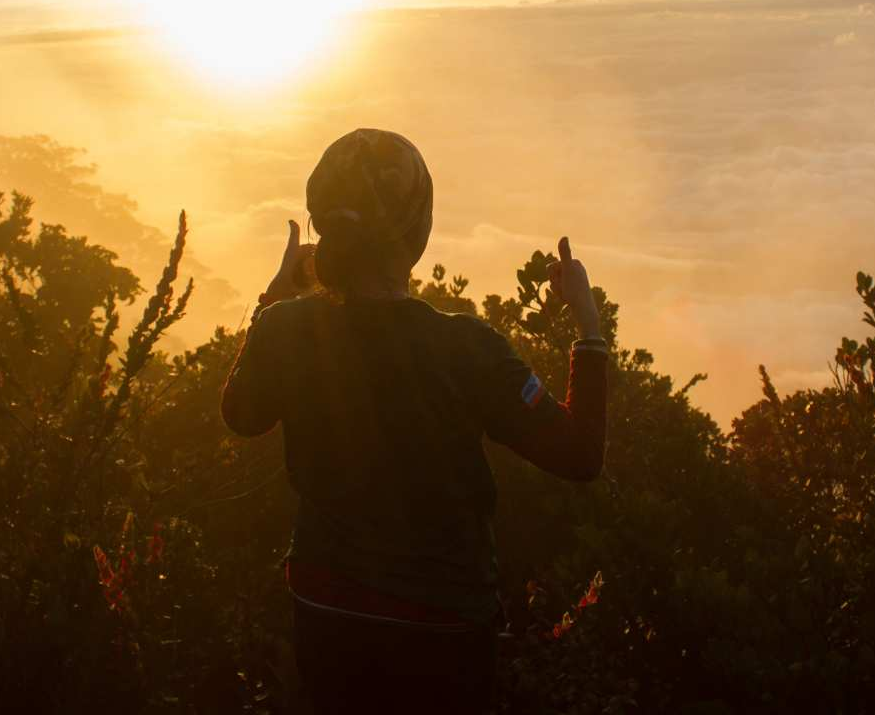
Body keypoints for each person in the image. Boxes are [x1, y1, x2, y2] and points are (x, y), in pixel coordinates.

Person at [220, 128, 609, 714]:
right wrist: (588, 326)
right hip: (445, 630)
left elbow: (242, 415)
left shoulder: (287, 329)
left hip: (327, 614)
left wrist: (273, 300)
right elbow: (580, 455)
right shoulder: (467, 349)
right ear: (415, 229)